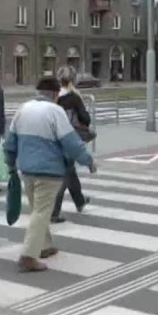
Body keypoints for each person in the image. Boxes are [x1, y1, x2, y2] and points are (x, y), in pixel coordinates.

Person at [5, 77, 96, 272]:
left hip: (26, 169)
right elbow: (71, 142)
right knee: (41, 212)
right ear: (55, 94)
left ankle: (44, 246)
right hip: (49, 171)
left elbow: (10, 141)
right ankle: (28, 256)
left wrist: (10, 164)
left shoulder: (23, 109)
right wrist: (88, 160)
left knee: (38, 210)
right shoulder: (55, 111)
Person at [51, 66, 91, 224]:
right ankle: (54, 212)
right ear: (73, 80)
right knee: (66, 172)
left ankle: (79, 201)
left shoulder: (53, 97)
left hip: (54, 138)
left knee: (70, 171)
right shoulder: (73, 97)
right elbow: (85, 118)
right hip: (69, 137)